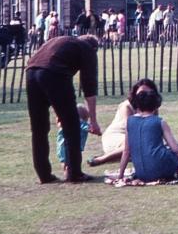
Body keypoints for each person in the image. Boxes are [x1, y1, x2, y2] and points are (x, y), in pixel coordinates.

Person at [25, 34, 102, 183]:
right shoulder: (87, 49)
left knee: (39, 128)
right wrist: (93, 120)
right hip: (54, 73)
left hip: (31, 72)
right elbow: (89, 88)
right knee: (71, 126)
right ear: (94, 48)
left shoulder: (62, 41)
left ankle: (44, 175)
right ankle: (74, 173)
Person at [117, 82, 178, 182]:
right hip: (161, 170)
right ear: (156, 106)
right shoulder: (160, 122)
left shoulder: (129, 122)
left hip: (142, 173)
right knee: (177, 155)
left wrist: (120, 175)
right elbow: (176, 149)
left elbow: (126, 151)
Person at [87, 79, 155, 167]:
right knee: (134, 144)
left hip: (138, 138)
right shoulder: (127, 106)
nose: (145, 96)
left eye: (148, 93)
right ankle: (100, 159)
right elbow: (131, 131)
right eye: (142, 93)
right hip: (117, 136)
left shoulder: (153, 106)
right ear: (135, 93)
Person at [56, 103, 91, 175]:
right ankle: (72, 173)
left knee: (64, 161)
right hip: (72, 146)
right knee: (76, 159)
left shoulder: (66, 122)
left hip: (61, 146)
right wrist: (96, 131)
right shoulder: (80, 122)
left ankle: (66, 173)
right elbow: (89, 128)